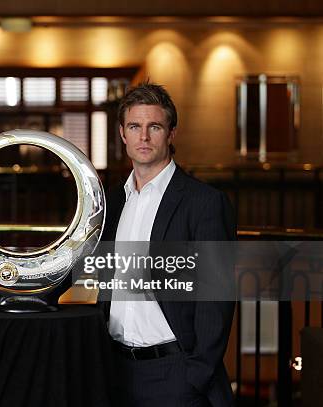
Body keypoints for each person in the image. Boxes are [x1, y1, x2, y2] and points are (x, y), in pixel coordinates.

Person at [100, 82, 236, 407]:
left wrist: (196, 375)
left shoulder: (204, 203)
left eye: (154, 127)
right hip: (116, 371)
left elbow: (216, 298)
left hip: (175, 374)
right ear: (122, 134)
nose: (143, 137)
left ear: (171, 134)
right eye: (135, 126)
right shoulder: (112, 202)